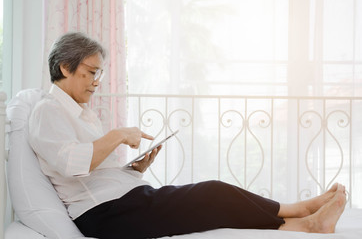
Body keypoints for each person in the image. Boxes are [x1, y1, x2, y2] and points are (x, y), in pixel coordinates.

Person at [29, 32, 347, 239]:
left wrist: (134, 169)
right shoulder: (47, 111)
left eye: (99, 73)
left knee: (210, 203)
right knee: (212, 193)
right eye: (90, 72)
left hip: (122, 201)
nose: (97, 81)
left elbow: (91, 169)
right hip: (105, 215)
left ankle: (301, 222)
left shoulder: (81, 112)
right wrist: (119, 135)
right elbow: (73, 164)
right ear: (65, 67)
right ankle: (298, 213)